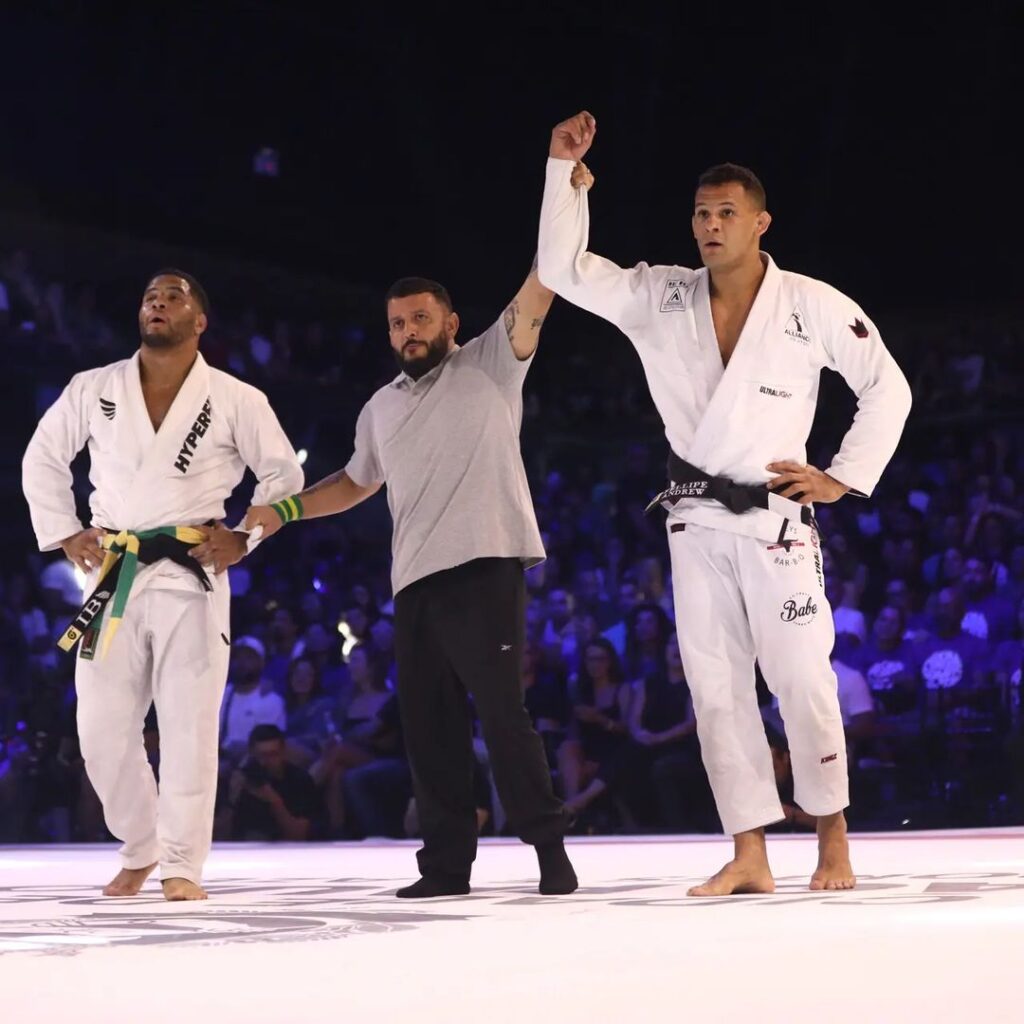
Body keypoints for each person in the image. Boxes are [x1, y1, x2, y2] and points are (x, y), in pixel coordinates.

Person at [537, 111, 912, 894]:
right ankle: (749, 850)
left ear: (760, 222)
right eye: (701, 213)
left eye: (726, 213)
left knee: (804, 680)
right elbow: (563, 271)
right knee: (715, 689)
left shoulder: (809, 303)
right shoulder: (659, 297)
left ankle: (832, 839)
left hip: (778, 522)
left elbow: (888, 387)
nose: (710, 225)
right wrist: (559, 177)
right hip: (695, 517)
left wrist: (842, 475)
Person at [245, 267, 578, 898]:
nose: (409, 332)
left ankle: (549, 847)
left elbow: (544, 281)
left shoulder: (492, 362)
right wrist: (285, 510)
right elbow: (353, 482)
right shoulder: (381, 406)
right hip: (415, 582)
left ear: (451, 324)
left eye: (421, 318)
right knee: (430, 730)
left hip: (486, 565)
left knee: (504, 718)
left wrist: (562, 183)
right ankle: (447, 868)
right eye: (398, 323)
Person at [22, 269, 303, 900]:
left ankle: (181, 863)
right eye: (151, 296)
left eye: (174, 297)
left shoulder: (236, 398)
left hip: (190, 573)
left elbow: (282, 477)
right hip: (111, 571)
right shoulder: (94, 388)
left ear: (199, 321)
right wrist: (66, 531)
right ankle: (141, 844)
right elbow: (42, 458)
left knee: (188, 727)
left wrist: (244, 537)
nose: (158, 303)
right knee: (98, 730)